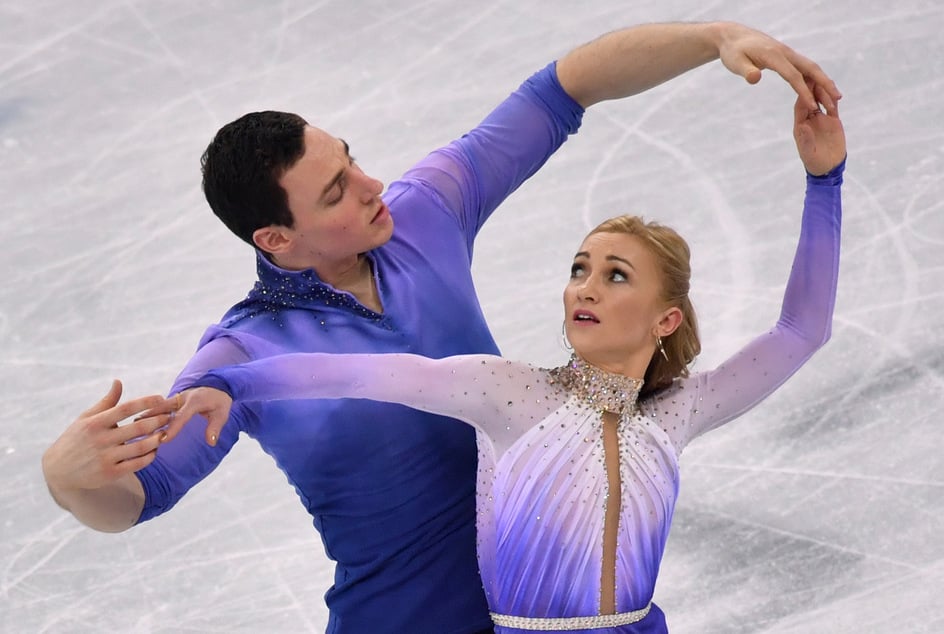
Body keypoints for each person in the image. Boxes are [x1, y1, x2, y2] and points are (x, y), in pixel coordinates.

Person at [41, 22, 842, 634]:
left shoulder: (422, 213)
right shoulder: (245, 353)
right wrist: (73, 483)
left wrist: (712, 38)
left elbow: (561, 90)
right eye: (334, 193)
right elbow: (137, 496)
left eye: (351, 159)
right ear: (276, 240)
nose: (370, 184)